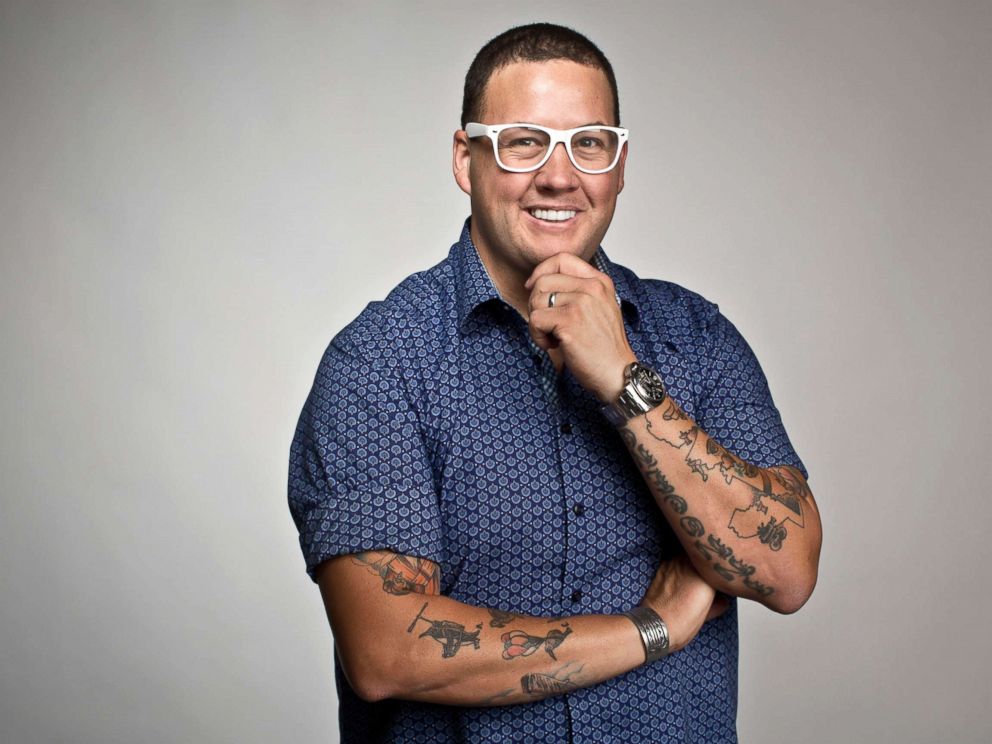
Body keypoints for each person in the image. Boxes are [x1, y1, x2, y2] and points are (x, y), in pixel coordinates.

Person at [288, 22, 821, 743]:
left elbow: (785, 572)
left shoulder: (698, 340)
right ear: (463, 156)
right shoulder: (380, 363)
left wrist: (625, 381)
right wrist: (651, 629)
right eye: (522, 140)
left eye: (588, 142)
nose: (559, 175)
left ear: (620, 163)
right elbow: (388, 651)